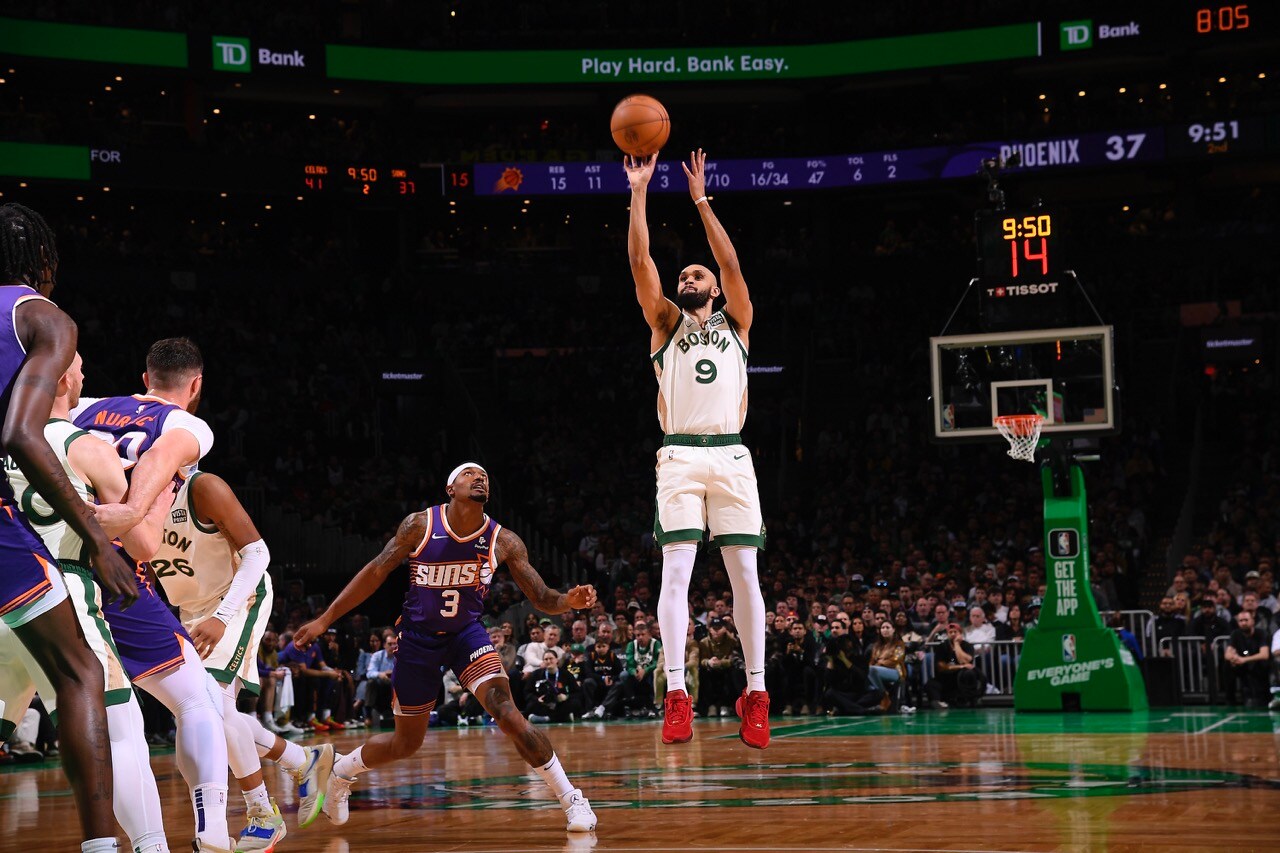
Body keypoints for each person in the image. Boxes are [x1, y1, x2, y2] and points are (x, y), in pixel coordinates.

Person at [292, 463, 599, 832]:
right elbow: (375, 571)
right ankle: (340, 771)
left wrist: (569, 601)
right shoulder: (419, 525)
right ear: (450, 488)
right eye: (470, 474)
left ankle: (571, 799)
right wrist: (325, 619)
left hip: (466, 634)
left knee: (508, 713)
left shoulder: (503, 540)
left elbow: (542, 597)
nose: (480, 477)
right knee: (406, 744)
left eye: (484, 475)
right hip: (418, 640)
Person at [0, 202, 138, 853]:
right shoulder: (40, 315)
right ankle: (101, 848)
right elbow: (21, 432)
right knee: (79, 669)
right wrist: (98, 536)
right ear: (45, 262)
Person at [625, 149, 770, 748]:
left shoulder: (737, 321)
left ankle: (756, 694)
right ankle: (678, 694)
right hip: (681, 455)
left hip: (733, 455)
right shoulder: (664, 323)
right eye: (683, 275)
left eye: (696, 275)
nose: (689, 278)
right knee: (677, 572)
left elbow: (731, 262)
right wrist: (639, 192)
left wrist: (701, 201)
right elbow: (640, 261)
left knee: (745, 576)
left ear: (712, 287)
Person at [0, 352, 170, 853]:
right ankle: (149, 846)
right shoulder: (83, 445)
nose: (83, 374)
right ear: (55, 379)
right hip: (61, 595)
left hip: (7, 599)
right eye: (76, 366)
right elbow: (143, 546)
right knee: (121, 732)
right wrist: (152, 500)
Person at [148, 468, 327, 849]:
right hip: (190, 610)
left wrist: (222, 617)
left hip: (236, 599)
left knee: (210, 703)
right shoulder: (128, 493)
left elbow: (258, 554)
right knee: (197, 714)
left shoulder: (201, 487)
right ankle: (300, 760)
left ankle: (262, 812)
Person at [1224, 610, 1270, 707]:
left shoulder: (1261, 633)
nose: (1243, 623)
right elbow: (1227, 654)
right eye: (1241, 621)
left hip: (1258, 664)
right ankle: (1230, 700)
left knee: (1264, 664)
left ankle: (1265, 697)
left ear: (1252, 621)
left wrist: (1244, 659)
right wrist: (1234, 658)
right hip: (1242, 664)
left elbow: (1264, 654)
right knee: (1227, 665)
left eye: (1246, 620)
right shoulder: (1235, 634)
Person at [928, 624, 979, 709]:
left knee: (970, 674)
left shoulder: (967, 646)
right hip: (946, 678)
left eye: (955, 632)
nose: (953, 634)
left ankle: (971, 701)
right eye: (950, 632)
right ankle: (937, 703)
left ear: (960, 633)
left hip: (961, 679)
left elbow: (965, 661)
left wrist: (956, 644)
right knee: (931, 684)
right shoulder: (941, 646)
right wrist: (960, 667)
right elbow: (941, 667)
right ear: (947, 634)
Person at [622, 619, 662, 717]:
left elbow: (658, 662)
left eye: (643, 635)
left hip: (650, 672)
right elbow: (629, 664)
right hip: (636, 673)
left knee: (656, 673)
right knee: (623, 675)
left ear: (649, 635)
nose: (640, 637)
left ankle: (654, 707)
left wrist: (646, 670)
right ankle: (631, 703)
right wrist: (634, 672)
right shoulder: (631, 645)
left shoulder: (656, 644)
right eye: (637, 635)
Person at [868, 620, 909, 713]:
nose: (885, 630)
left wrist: (880, 663)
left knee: (872, 670)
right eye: (883, 628)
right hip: (878, 670)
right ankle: (881, 696)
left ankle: (884, 697)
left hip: (895, 671)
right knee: (867, 671)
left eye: (887, 627)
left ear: (893, 630)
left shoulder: (899, 644)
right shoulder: (876, 646)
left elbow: (896, 659)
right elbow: (872, 661)